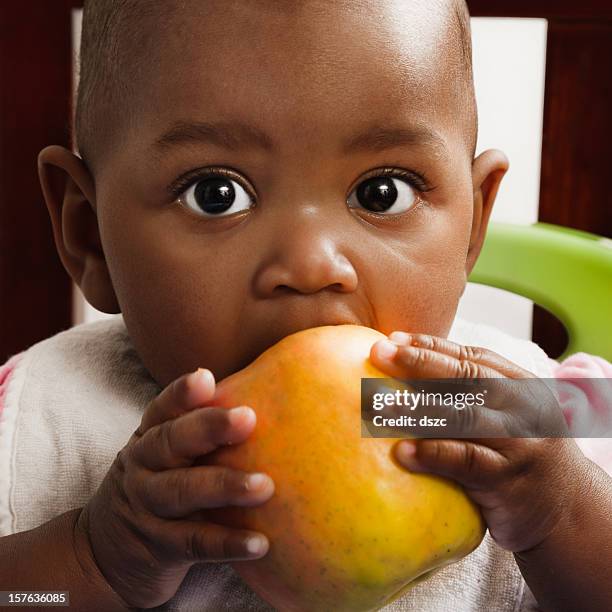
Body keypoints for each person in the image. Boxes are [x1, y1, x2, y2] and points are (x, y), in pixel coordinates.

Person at [1, 0, 610, 610]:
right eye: (216, 194)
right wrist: (93, 560)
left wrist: (562, 513)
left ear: (473, 224)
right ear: (90, 237)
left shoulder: (534, 410)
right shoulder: (38, 415)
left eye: (382, 192)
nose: (312, 264)